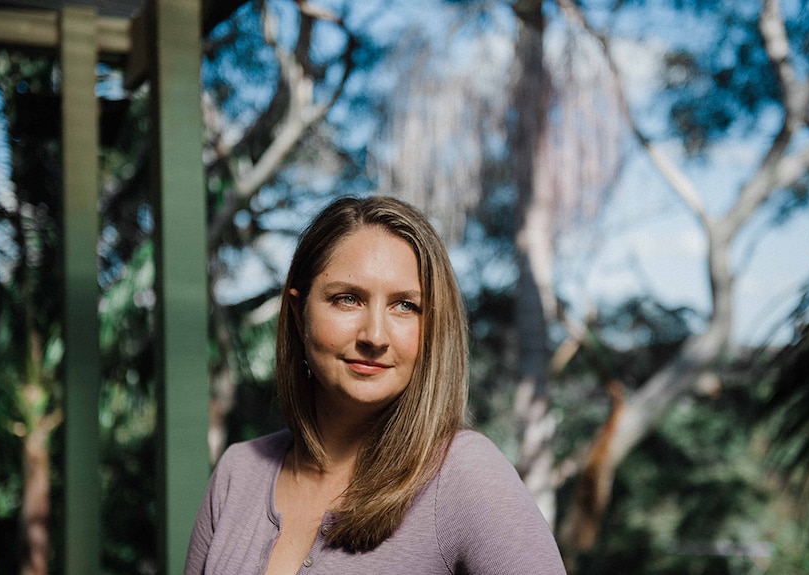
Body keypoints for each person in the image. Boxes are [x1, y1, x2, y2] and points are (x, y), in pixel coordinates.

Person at [184, 196, 567, 574]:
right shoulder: (237, 473)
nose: (375, 336)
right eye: (347, 299)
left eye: (405, 306)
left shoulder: (464, 475)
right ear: (299, 315)